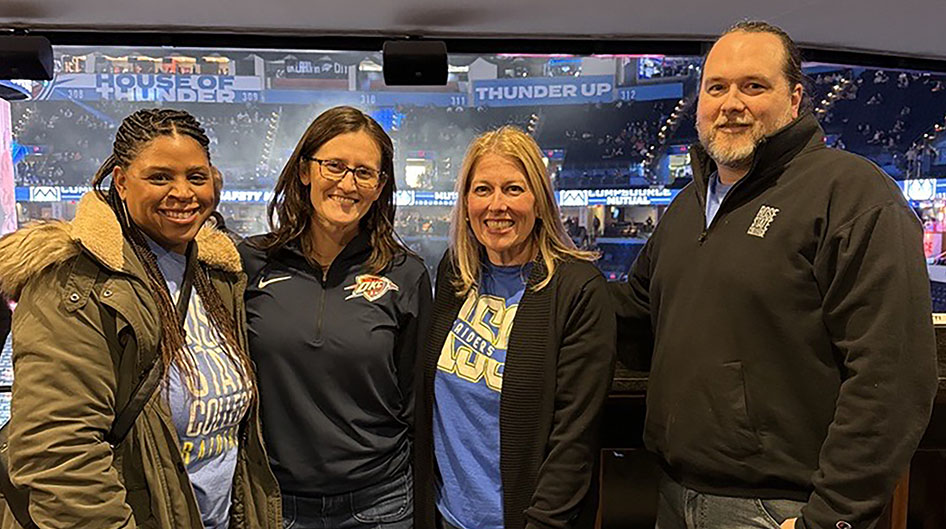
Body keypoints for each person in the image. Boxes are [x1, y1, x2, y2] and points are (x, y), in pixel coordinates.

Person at [610, 21, 937, 529]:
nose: (731, 102)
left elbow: (891, 379)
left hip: (782, 509)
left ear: (795, 98)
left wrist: (831, 519)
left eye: (753, 86)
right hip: (674, 496)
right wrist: (540, 272)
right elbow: (635, 323)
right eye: (716, 87)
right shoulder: (686, 207)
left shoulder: (852, 194)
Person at [0, 108, 280, 529]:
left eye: (196, 177)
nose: (183, 192)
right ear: (122, 181)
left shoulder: (217, 275)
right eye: (160, 177)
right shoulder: (73, 282)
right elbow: (58, 455)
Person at [414, 126, 616, 529]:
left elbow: (572, 444)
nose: (496, 205)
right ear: (466, 201)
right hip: (445, 517)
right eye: (483, 189)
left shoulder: (578, 290)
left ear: (539, 202)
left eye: (513, 189)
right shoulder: (455, 274)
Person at [239, 105, 430, 529]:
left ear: (380, 186)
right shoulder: (251, 262)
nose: (348, 183)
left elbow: (416, 400)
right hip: (278, 504)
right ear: (305, 171)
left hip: (380, 503)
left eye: (364, 172)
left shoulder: (406, 273)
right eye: (334, 166)